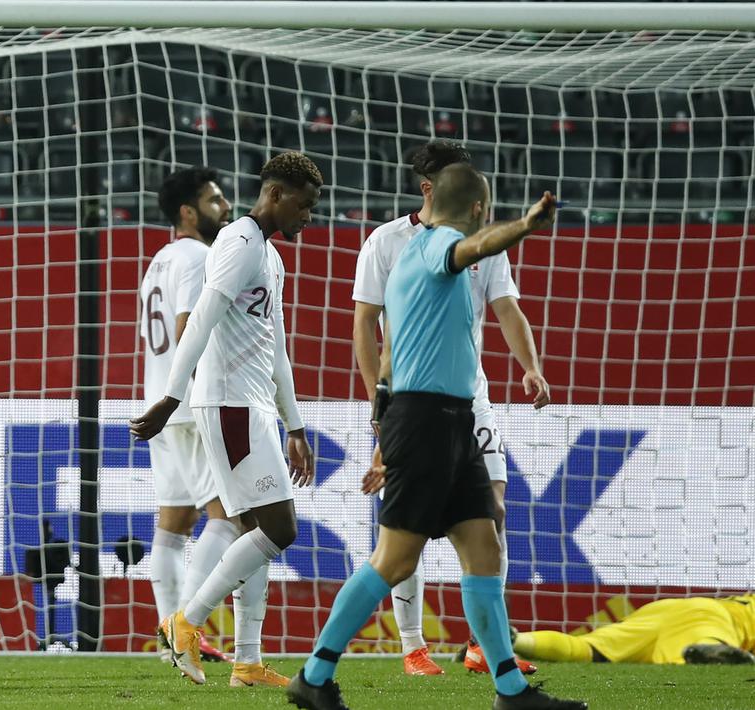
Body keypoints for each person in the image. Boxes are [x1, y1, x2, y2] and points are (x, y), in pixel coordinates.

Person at [286, 164, 584, 710]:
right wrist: (529, 223)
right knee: (395, 560)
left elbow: (391, 355)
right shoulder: (442, 245)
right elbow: (472, 253)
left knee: (483, 546)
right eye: (487, 213)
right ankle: (314, 673)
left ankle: (510, 691)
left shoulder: (406, 264)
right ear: (477, 210)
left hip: (445, 420)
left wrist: (383, 426)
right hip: (426, 421)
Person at [352, 139, 545, 676]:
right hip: (412, 400)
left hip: (470, 399)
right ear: (428, 187)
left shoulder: (485, 244)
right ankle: (412, 645)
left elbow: (507, 308)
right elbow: (366, 326)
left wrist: (531, 365)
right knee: (405, 531)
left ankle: (486, 645)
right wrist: (378, 403)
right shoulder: (388, 242)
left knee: (494, 512)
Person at [131, 151, 322, 688]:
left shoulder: (271, 255)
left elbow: (277, 347)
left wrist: (297, 425)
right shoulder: (236, 243)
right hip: (228, 404)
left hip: (256, 403)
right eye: (304, 206)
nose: (309, 217)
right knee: (278, 529)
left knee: (254, 527)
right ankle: (186, 623)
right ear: (276, 195)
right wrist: (171, 397)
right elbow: (200, 321)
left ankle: (246, 661)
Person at [143, 167, 237, 666]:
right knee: (232, 517)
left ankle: (169, 634)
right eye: (214, 199)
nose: (224, 206)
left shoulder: (158, 261)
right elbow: (187, 331)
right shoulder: (201, 256)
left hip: (157, 403)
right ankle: (185, 629)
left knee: (174, 523)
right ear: (188, 212)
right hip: (189, 403)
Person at [513, 594, 755, 665]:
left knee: (587, 650)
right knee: (697, 657)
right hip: (712, 618)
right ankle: (715, 651)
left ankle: (513, 640)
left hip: (664, 610)